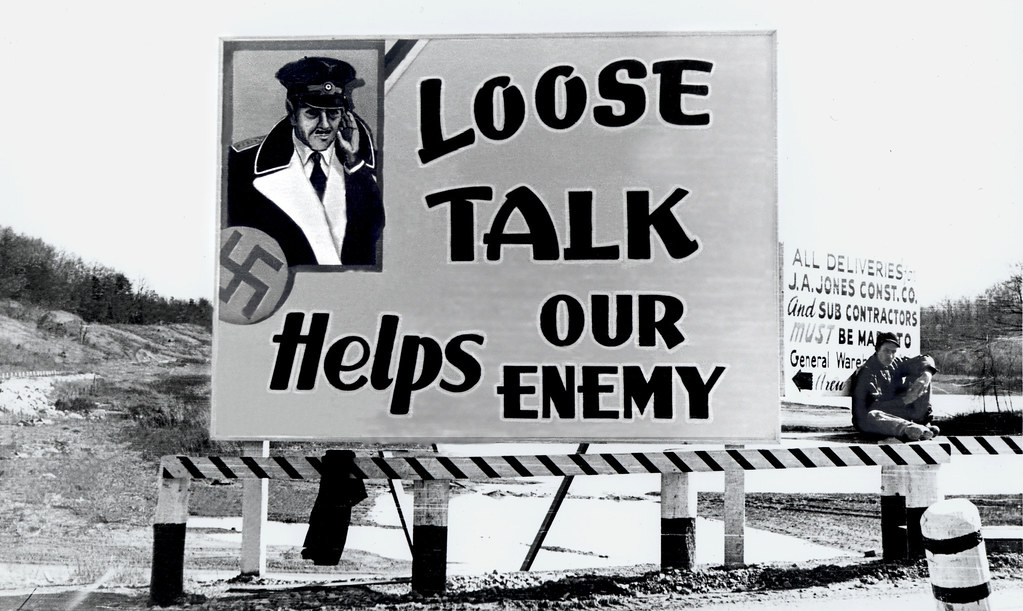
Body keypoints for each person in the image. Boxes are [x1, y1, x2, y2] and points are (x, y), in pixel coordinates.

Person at [227, 56, 384, 267]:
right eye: (312, 113)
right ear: (292, 113)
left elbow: (376, 230)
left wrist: (355, 164)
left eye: (334, 114)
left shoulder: (370, 166)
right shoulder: (240, 166)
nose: (325, 126)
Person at [851, 331, 940, 441]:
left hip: (895, 414)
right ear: (877, 350)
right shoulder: (866, 372)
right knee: (873, 415)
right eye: (886, 351)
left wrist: (927, 375)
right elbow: (872, 407)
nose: (890, 356)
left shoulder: (895, 364)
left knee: (921, 375)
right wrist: (904, 401)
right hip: (870, 420)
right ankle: (909, 429)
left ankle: (922, 424)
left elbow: (924, 359)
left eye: (893, 352)